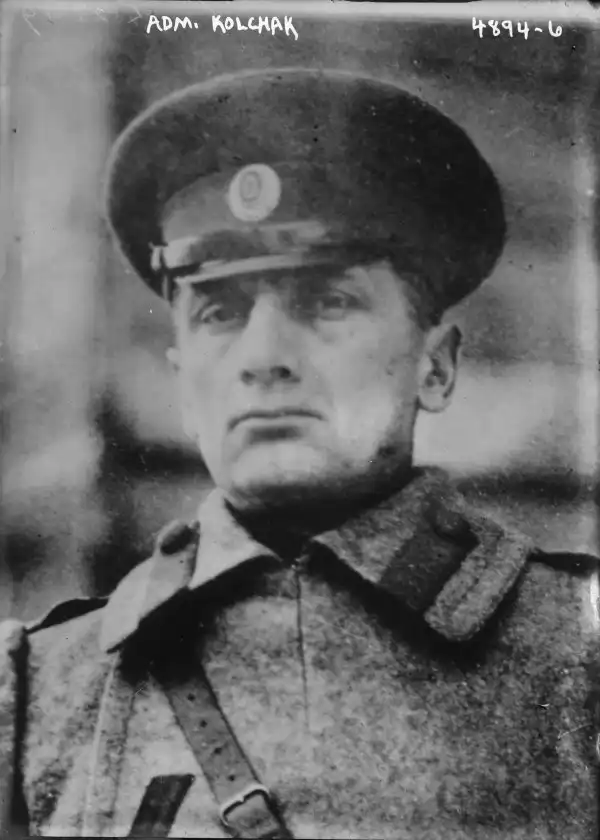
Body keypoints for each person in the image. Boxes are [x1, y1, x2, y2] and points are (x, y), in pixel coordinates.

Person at [1, 68, 598, 840]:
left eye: (328, 301)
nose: (263, 358)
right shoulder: (39, 693)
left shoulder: (578, 653)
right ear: (185, 381)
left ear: (436, 366)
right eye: (219, 312)